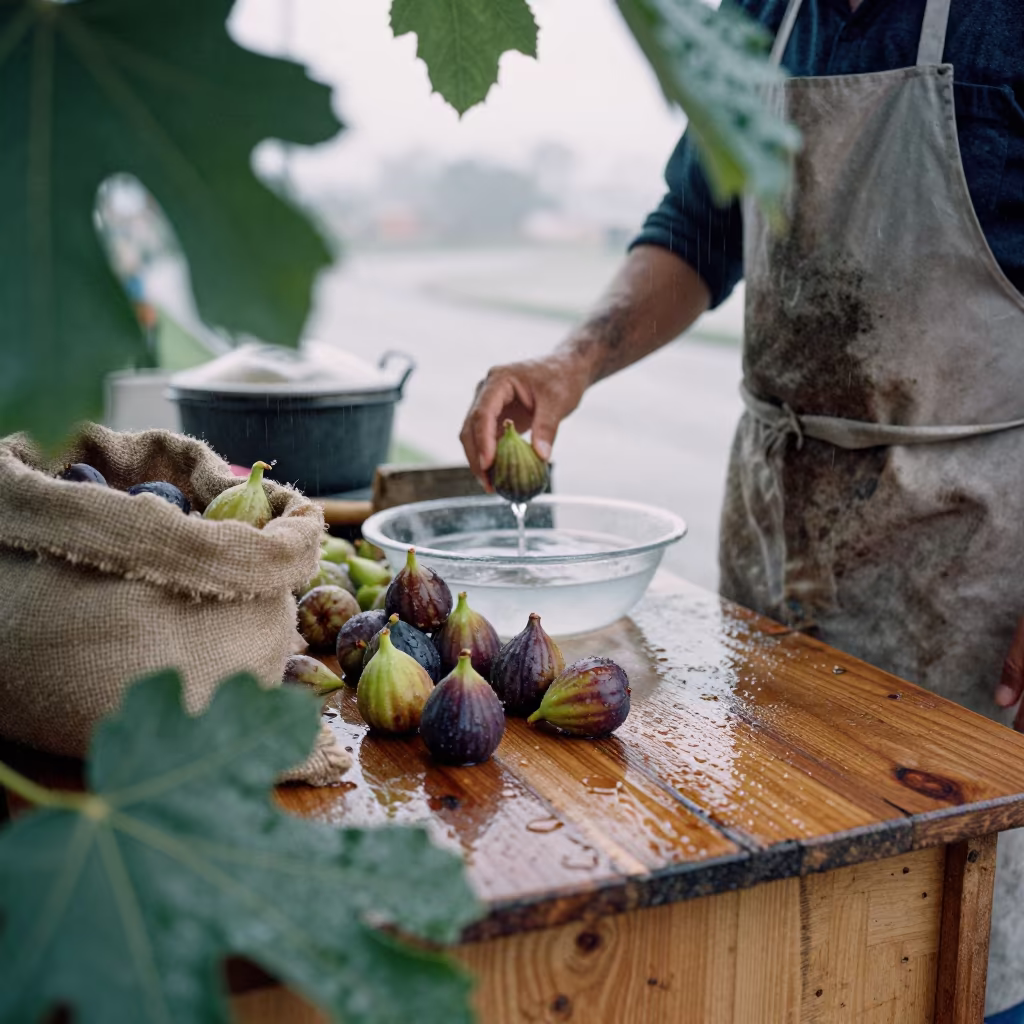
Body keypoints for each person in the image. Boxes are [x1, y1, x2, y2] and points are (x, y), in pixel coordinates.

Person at [459, 0, 1024, 1018]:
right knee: (781, 917)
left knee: (954, 933)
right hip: (777, 535)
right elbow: (697, 225)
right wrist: (569, 360)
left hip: (971, 562)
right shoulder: (761, 13)